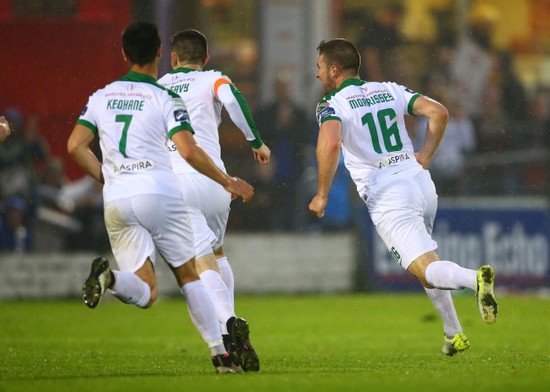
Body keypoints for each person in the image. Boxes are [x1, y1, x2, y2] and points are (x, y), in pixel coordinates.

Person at [67, 21, 254, 374]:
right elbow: (187, 149)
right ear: (158, 54)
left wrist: (109, 177)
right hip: (160, 193)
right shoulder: (164, 96)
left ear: (124, 54)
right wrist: (226, 179)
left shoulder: (101, 96)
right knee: (191, 274)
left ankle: (111, 279)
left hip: (118, 198)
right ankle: (222, 354)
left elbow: (75, 145)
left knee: (146, 290)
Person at [308, 38, 498, 356]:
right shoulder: (389, 89)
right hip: (420, 183)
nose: (317, 74)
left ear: (334, 70)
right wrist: (425, 154)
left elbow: (328, 145)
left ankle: (475, 279)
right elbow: (438, 112)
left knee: (423, 267)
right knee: (427, 260)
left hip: (388, 194)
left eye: (319, 67)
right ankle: (454, 333)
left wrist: (322, 194)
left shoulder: (331, 104)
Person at [157, 29, 270, 372]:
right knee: (218, 254)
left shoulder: (157, 86)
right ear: (205, 59)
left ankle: (229, 321)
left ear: (173, 59)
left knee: (199, 264)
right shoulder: (214, 79)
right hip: (217, 182)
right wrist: (256, 141)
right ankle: (229, 333)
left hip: (177, 180)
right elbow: (234, 101)